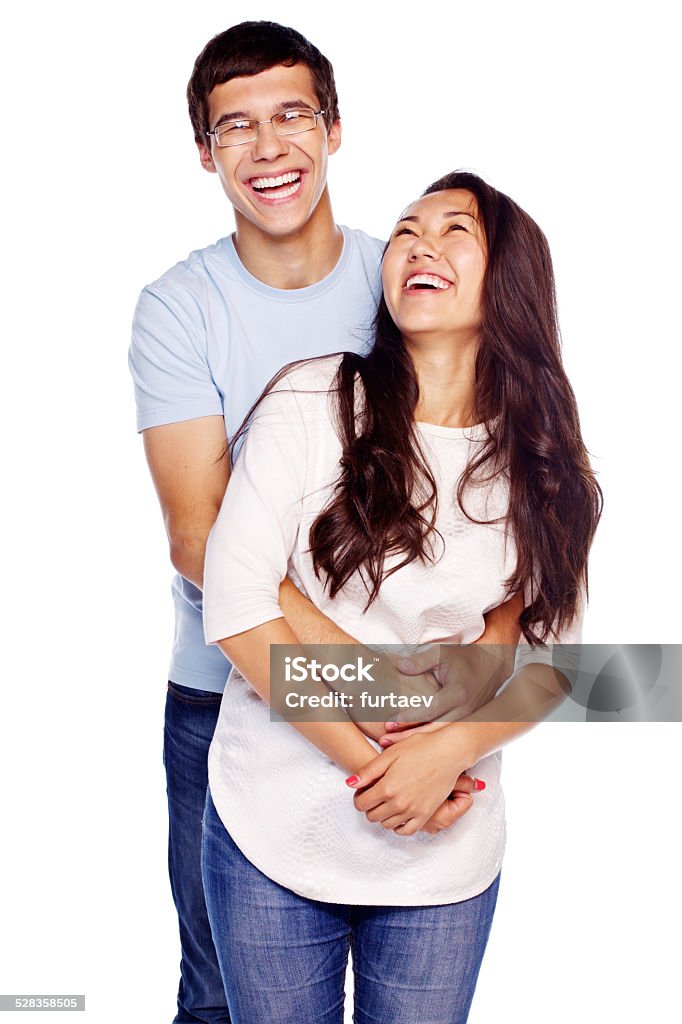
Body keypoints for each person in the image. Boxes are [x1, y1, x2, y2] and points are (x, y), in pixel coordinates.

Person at [129, 23, 520, 1024]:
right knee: (220, 992)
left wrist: (442, 722)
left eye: (292, 115)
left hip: (425, 710)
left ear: (334, 129)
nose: (269, 149)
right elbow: (199, 537)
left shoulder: (401, 281)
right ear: (205, 152)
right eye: (235, 127)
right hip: (224, 693)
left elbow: (514, 576)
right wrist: (374, 682)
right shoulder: (182, 307)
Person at [201, 170, 603, 1023]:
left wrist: (447, 753)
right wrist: (385, 772)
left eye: (456, 230)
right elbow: (236, 608)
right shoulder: (315, 398)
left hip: (446, 854)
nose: (421, 244)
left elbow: (557, 662)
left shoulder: (542, 457)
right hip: (272, 825)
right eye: (408, 229)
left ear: (512, 283)